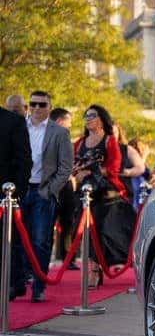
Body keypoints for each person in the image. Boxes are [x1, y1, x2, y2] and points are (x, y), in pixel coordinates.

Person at [10, 91, 73, 302]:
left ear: (49, 107)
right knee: (18, 240)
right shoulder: (18, 126)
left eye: (42, 104)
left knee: (40, 241)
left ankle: (38, 286)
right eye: (33, 104)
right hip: (19, 190)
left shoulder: (59, 132)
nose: (37, 108)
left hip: (42, 192)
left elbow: (66, 168)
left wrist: (50, 190)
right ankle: (18, 283)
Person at [71, 105, 134, 287]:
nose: (88, 118)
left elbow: (113, 168)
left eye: (92, 115)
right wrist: (77, 173)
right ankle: (93, 268)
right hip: (84, 193)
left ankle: (97, 270)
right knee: (86, 233)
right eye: (86, 115)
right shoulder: (80, 142)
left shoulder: (109, 141)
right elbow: (71, 164)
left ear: (101, 119)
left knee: (102, 233)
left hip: (105, 195)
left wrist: (90, 171)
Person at [1, 105, 31, 301]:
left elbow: (24, 160)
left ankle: (12, 284)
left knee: (8, 244)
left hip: (4, 197)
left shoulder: (13, 121)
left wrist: (15, 194)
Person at [49, 108, 79, 268]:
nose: (70, 125)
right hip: (50, 184)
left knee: (68, 223)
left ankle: (68, 259)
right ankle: (43, 259)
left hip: (66, 186)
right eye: (69, 122)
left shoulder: (66, 138)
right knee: (47, 223)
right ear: (60, 121)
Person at [112, 123, 145, 209]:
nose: (112, 135)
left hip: (123, 192)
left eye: (114, 132)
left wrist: (127, 172)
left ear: (119, 133)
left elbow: (140, 168)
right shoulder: (97, 148)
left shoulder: (127, 149)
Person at [127, 137, 155, 210]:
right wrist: (144, 156)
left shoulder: (143, 164)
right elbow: (138, 169)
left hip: (142, 200)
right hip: (133, 201)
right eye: (141, 149)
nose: (143, 152)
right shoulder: (129, 163)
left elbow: (148, 178)